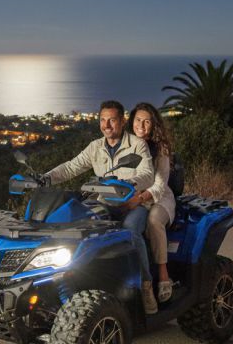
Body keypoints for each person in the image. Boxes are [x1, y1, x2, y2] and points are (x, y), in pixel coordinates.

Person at [44, 100, 159, 314]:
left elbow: (147, 174)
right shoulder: (96, 147)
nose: (107, 125)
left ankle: (145, 286)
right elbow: (71, 167)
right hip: (103, 203)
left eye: (112, 120)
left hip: (132, 204)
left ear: (122, 122)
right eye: (103, 120)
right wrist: (46, 179)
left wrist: (129, 184)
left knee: (131, 232)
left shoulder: (137, 145)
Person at [124, 102, 176, 303]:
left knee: (153, 221)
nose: (142, 126)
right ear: (132, 121)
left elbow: (161, 184)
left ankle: (163, 276)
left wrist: (140, 198)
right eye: (138, 120)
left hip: (158, 198)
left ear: (154, 125)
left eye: (147, 122)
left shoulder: (159, 149)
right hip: (130, 199)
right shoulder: (125, 145)